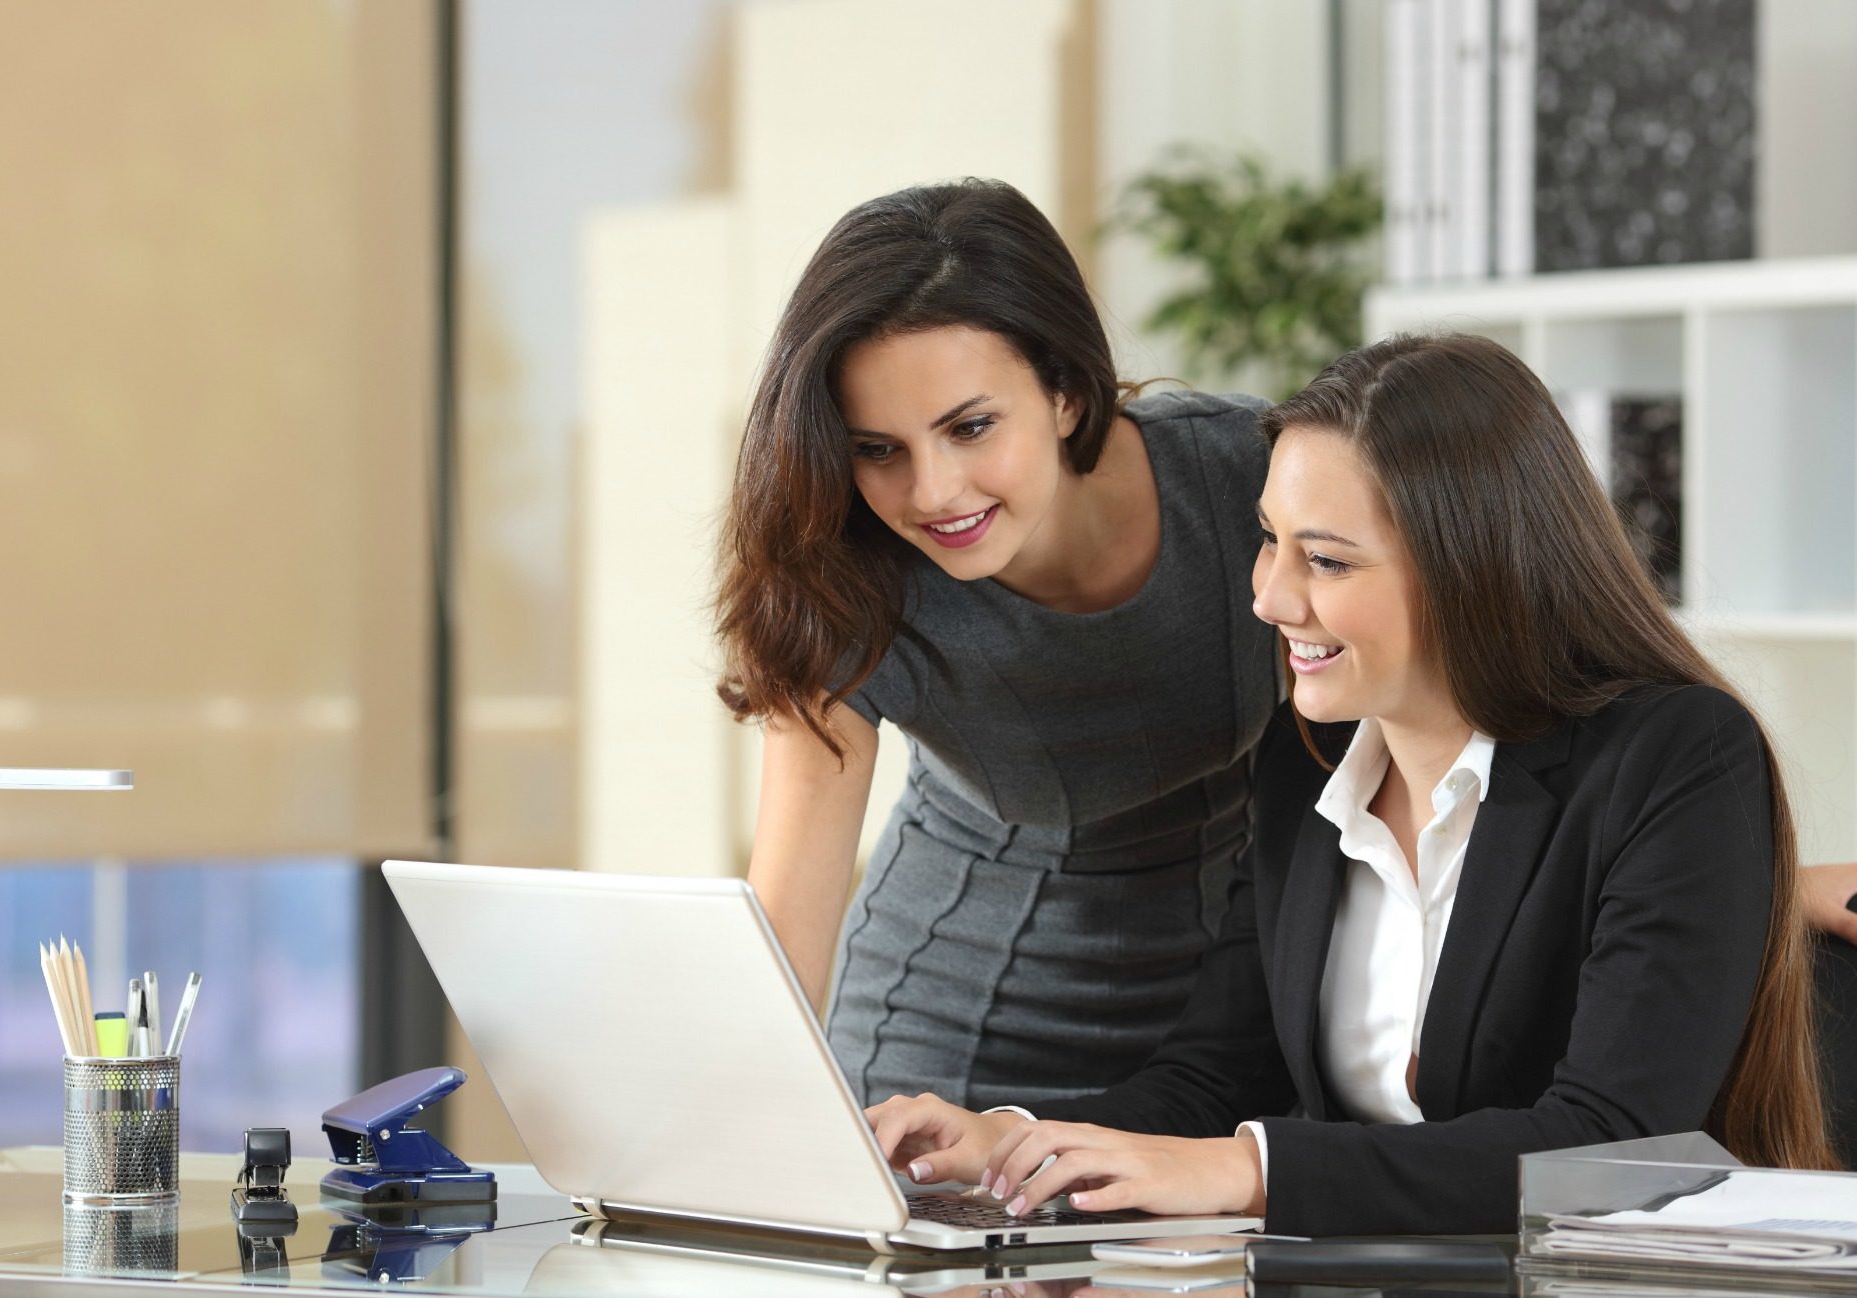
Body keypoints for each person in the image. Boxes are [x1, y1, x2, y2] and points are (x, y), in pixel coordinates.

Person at [864, 332, 1837, 1236]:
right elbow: (1213, 1074)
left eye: (1324, 558)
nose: (1269, 595)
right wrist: (1016, 1140)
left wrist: (1252, 1169)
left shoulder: (1677, 754)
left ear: (1475, 570)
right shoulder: (1307, 761)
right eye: (1268, 538)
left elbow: (1610, 1140)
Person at [713, 179, 1278, 1110]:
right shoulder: (845, 579)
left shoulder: (1247, 478)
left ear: (1062, 389)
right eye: (877, 449)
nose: (932, 492)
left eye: (970, 427)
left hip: (1222, 1047)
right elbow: (783, 936)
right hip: (944, 1055)